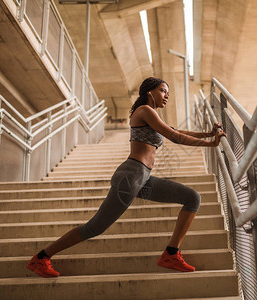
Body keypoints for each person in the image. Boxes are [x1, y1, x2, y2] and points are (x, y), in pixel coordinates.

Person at [26, 77, 226, 277]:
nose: (167, 96)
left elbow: (175, 131)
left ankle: (171, 253)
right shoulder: (145, 111)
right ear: (150, 91)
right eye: (163, 90)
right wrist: (211, 144)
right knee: (94, 227)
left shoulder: (152, 114)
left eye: (168, 92)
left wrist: (208, 134)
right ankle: (41, 257)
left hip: (143, 178)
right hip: (131, 176)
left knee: (192, 198)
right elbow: (174, 137)